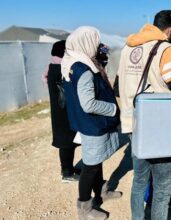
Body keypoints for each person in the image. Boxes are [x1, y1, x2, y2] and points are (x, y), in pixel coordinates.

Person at [117, 10, 171, 220]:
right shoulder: (165, 49)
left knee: (139, 181)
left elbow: (117, 88)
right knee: (162, 187)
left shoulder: (127, 47)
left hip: (133, 124)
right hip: (159, 128)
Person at [61, 26, 122, 220]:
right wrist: (113, 109)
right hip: (92, 123)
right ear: (86, 43)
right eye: (95, 42)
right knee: (90, 166)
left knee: (96, 160)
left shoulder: (71, 62)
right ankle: (85, 209)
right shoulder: (84, 69)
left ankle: (101, 193)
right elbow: (88, 104)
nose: (97, 46)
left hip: (85, 122)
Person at [44, 40, 80, 182]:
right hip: (63, 111)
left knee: (67, 142)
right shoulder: (61, 69)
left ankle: (69, 169)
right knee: (66, 142)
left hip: (60, 110)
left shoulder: (52, 67)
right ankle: (67, 173)